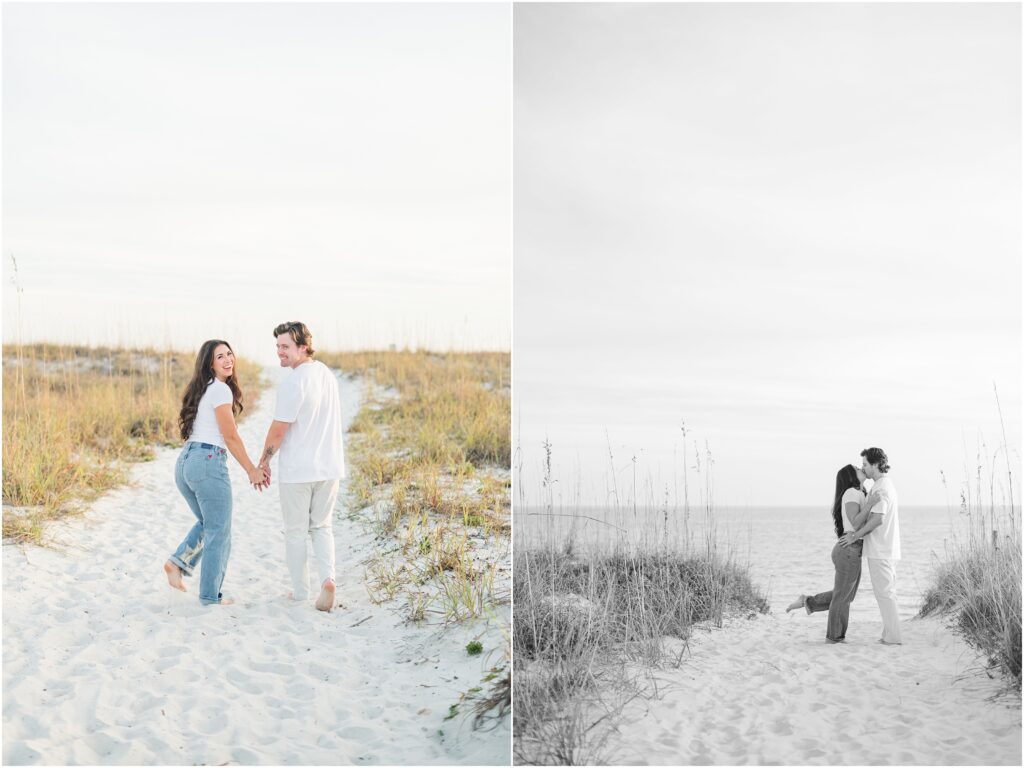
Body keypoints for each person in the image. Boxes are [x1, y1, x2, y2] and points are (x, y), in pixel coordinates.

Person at [163, 340, 268, 605]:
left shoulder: (204, 389)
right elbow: (230, 436)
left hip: (186, 463)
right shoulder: (220, 390)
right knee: (219, 530)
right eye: (219, 356)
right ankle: (210, 597)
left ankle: (177, 564)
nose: (227, 359)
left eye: (229, 354)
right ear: (210, 363)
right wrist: (251, 470)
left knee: (209, 524)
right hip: (208, 463)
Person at [257, 321, 345, 612]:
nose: (279, 352)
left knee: (295, 531)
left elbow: (279, 430)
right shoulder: (327, 375)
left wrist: (264, 461)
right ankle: (328, 580)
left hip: (299, 471)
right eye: (278, 346)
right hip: (330, 467)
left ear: (303, 347)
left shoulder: (294, 382)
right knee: (322, 527)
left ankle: (300, 593)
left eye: (285, 347)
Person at [785, 464, 869, 642]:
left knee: (846, 595)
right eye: (856, 468)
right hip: (849, 550)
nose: (860, 468)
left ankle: (807, 602)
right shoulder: (852, 493)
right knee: (842, 596)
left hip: (851, 549)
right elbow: (855, 524)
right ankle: (834, 637)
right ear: (850, 476)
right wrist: (872, 505)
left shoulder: (859, 493)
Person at [840, 447, 902, 645]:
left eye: (866, 464)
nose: (864, 468)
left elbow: (878, 519)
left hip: (881, 549)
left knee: (885, 594)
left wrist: (855, 536)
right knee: (886, 593)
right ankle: (888, 635)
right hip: (885, 548)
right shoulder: (884, 484)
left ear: (875, 465)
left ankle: (892, 638)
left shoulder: (880, 488)